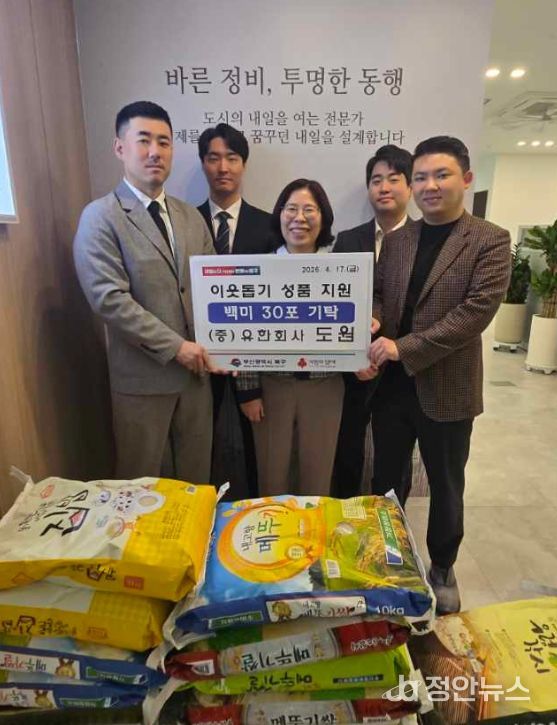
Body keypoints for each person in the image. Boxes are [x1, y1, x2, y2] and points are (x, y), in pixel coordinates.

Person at [362, 136, 511, 614]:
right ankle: (389, 554)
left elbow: (473, 316)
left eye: (441, 175)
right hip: (392, 385)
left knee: (447, 484)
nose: (430, 186)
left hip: (448, 386)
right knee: (387, 476)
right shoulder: (398, 239)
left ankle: (442, 566)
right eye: (422, 177)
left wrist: (401, 346)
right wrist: (374, 321)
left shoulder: (490, 240)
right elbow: (380, 294)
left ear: (465, 179)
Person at [74, 100, 221, 483]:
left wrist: (225, 345)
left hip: (196, 382)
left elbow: (213, 291)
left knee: (195, 484)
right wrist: (177, 347)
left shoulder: (191, 217)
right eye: (144, 140)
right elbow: (110, 300)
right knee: (141, 488)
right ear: (120, 147)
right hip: (142, 385)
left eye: (164, 142)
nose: (155, 151)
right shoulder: (100, 217)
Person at [235, 179, 344, 496]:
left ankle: (311, 528)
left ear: (323, 217)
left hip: (325, 386)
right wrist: (248, 391)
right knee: (272, 476)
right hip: (271, 387)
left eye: (310, 209)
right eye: (291, 209)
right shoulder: (260, 267)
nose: (300, 218)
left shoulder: (341, 269)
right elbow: (244, 332)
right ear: (279, 215)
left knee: (317, 478)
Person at [331, 145, 413, 497]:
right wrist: (352, 358)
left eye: (393, 179)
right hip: (355, 371)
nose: (384, 187)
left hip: (402, 370)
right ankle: (343, 515)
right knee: (346, 453)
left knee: (393, 461)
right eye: (376, 180)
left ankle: (391, 522)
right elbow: (336, 303)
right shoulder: (348, 240)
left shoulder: (423, 239)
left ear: (410, 186)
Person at [197, 123, 274, 496]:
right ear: (203, 164)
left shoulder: (270, 225)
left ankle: (258, 510)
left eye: (232, 158)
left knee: (258, 446)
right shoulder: (184, 220)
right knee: (199, 444)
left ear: (244, 164)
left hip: (254, 358)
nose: (223, 167)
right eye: (213, 158)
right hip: (197, 356)